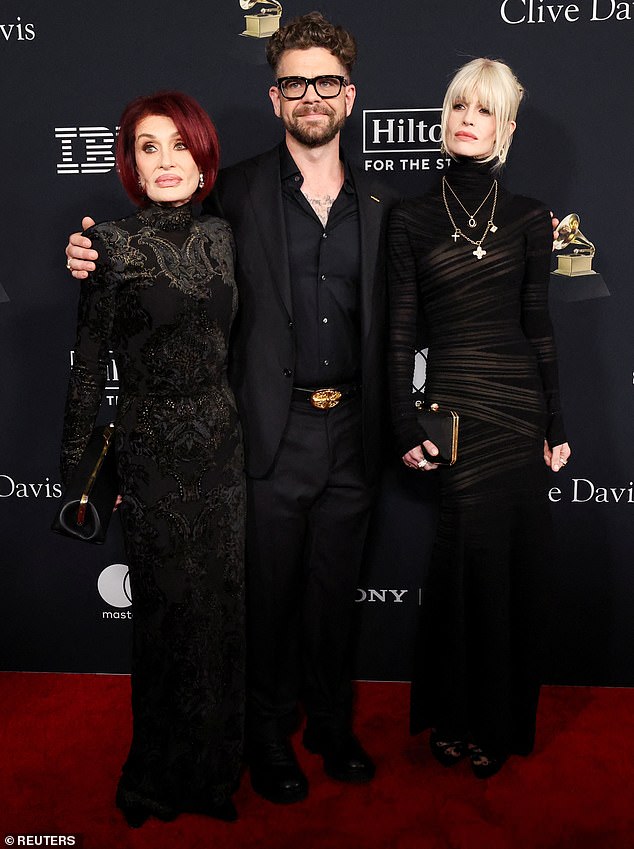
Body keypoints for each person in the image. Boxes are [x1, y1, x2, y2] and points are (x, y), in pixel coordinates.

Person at [65, 13, 397, 805]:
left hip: (355, 428)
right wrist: (91, 252)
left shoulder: (386, 207)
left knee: (332, 592)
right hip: (264, 430)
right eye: (293, 83)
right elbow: (162, 253)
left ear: (349, 97)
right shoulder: (237, 192)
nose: (309, 96)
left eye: (325, 82)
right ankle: (268, 735)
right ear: (274, 96)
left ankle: (330, 723)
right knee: (268, 599)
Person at [60, 91, 245, 826]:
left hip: (225, 452)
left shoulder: (227, 236)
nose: (166, 161)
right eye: (148, 146)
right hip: (151, 452)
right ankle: (154, 778)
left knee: (221, 617)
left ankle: (214, 775)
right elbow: (85, 364)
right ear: (131, 162)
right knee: (165, 617)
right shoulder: (107, 244)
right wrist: (80, 474)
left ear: (203, 159)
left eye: (179, 145)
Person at [387, 58, 571, 779]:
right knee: (464, 562)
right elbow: (400, 333)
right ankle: (456, 712)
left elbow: (540, 324)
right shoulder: (409, 216)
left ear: (507, 128)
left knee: (507, 571)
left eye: (486, 110)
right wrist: (403, 422)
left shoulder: (528, 216)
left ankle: (495, 721)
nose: (469, 117)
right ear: (445, 114)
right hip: (455, 410)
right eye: (460, 104)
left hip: (518, 410)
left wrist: (555, 423)